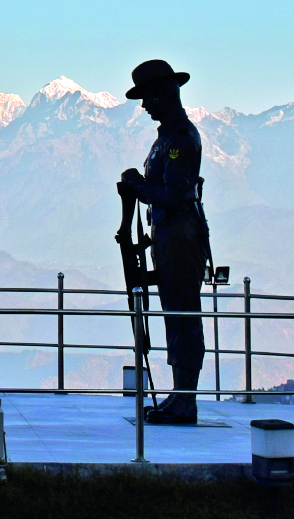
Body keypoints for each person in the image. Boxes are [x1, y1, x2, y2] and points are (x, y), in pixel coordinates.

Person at [117, 58, 209, 425]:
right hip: (168, 235)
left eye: (148, 97)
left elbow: (173, 194)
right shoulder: (167, 138)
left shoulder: (181, 140)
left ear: (164, 94)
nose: (144, 106)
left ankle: (186, 399)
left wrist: (137, 184)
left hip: (181, 236)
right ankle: (179, 394)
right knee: (174, 312)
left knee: (184, 314)